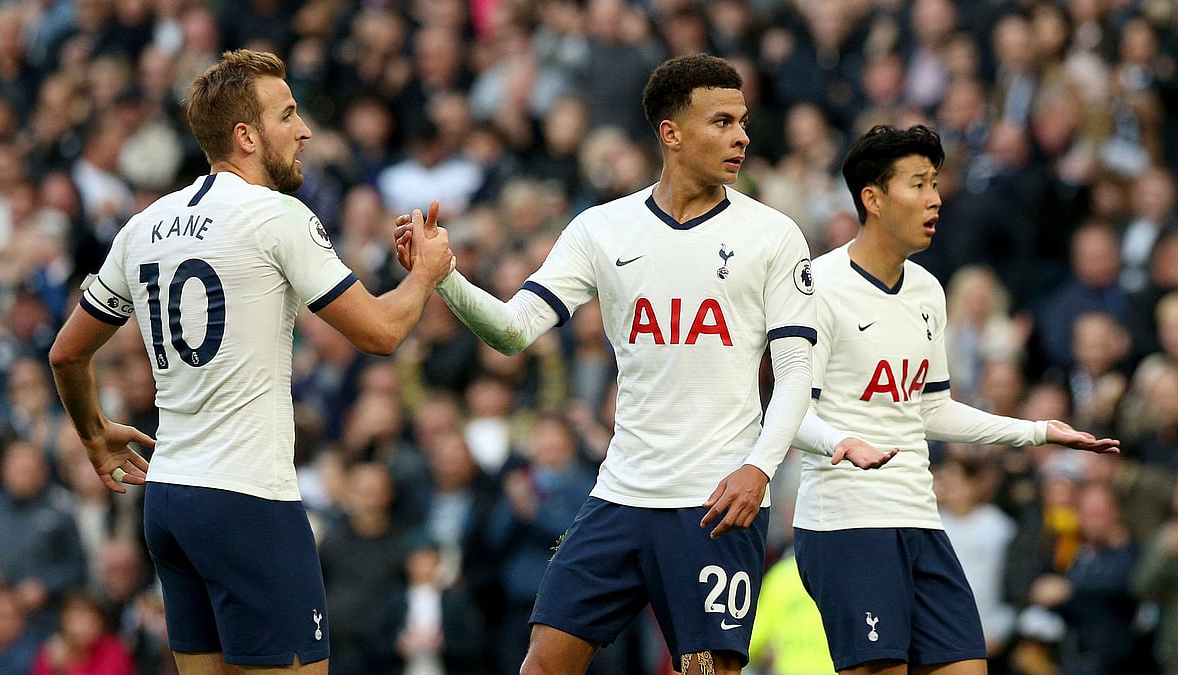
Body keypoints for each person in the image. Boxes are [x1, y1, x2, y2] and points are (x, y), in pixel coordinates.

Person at [395, 53, 893, 675]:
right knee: (543, 665)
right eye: (721, 122)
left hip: (716, 500)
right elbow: (513, 331)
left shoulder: (773, 235)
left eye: (742, 121)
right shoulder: (602, 229)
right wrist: (443, 277)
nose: (741, 136)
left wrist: (759, 470)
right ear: (671, 133)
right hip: (621, 493)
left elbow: (795, 374)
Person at [48, 49, 456, 675]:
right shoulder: (277, 215)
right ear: (246, 136)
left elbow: (66, 353)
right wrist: (426, 274)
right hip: (248, 501)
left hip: (170, 503)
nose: (305, 130)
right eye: (287, 114)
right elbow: (381, 333)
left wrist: (93, 435)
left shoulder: (144, 225)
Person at [789, 124, 1121, 675]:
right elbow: (790, 412)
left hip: (919, 515)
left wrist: (1036, 431)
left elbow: (932, 408)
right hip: (847, 523)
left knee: (969, 666)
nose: (935, 199)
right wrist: (842, 442)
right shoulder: (819, 286)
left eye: (935, 183)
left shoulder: (927, 289)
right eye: (918, 184)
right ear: (873, 198)